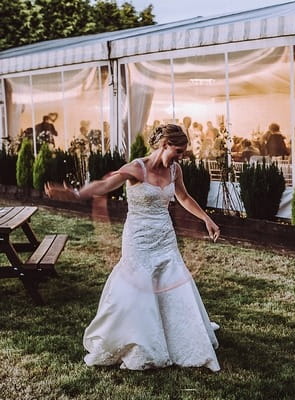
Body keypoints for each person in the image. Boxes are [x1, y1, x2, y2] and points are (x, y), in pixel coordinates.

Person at [45, 124, 221, 371]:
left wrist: (206, 219)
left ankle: (176, 338)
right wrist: (75, 193)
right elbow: (104, 186)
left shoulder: (175, 170)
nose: (182, 155)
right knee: (137, 286)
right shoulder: (137, 168)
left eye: (183, 151)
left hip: (165, 237)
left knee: (171, 283)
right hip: (138, 237)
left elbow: (183, 197)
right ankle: (138, 340)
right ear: (164, 145)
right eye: (178, 150)